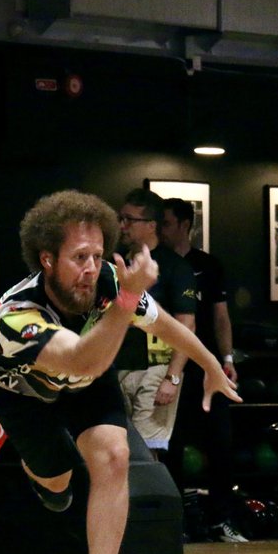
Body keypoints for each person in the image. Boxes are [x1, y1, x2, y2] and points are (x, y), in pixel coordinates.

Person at [0, 189, 239, 554]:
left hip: (86, 380)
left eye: (97, 255)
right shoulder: (16, 317)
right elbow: (81, 359)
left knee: (114, 456)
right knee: (57, 483)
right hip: (26, 394)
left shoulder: (107, 282)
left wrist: (212, 366)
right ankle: (40, 469)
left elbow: (165, 325)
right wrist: (124, 303)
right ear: (47, 259)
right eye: (79, 256)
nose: (90, 268)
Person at [159, 197, 247, 543]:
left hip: (208, 368)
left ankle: (221, 519)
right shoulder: (154, 267)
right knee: (172, 446)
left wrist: (227, 359)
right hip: (169, 367)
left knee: (220, 444)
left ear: (184, 225)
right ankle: (174, 522)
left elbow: (220, 316)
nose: (162, 229)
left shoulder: (208, 265)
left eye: (166, 223)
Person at [112, 189, 197, 456]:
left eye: (129, 220)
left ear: (151, 225)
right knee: (116, 450)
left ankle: (146, 499)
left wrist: (172, 377)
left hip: (156, 370)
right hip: (116, 367)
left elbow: (187, 325)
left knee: (145, 455)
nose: (122, 226)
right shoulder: (114, 264)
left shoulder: (175, 268)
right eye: (120, 218)